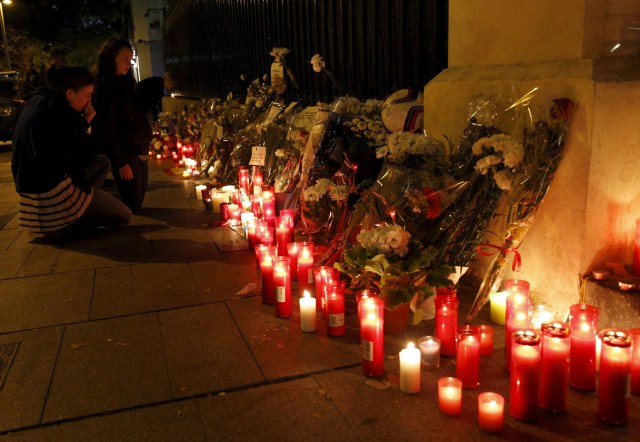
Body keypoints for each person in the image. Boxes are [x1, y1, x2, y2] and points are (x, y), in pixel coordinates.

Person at [11, 66, 132, 235]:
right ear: (70, 93)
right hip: (53, 194)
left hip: (35, 191)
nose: (88, 102)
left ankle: (78, 212)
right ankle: (68, 222)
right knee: (124, 216)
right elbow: (80, 154)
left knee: (102, 163)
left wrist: (82, 123)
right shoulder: (56, 114)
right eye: (87, 95)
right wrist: (87, 121)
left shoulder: (41, 103)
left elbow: (70, 149)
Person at [92, 38, 152, 212]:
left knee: (137, 199)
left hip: (138, 149)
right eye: (125, 59)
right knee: (132, 203)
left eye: (131, 59)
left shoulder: (126, 83)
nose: (129, 63)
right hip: (125, 153)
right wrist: (120, 163)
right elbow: (107, 129)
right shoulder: (106, 89)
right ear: (111, 58)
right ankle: (96, 204)